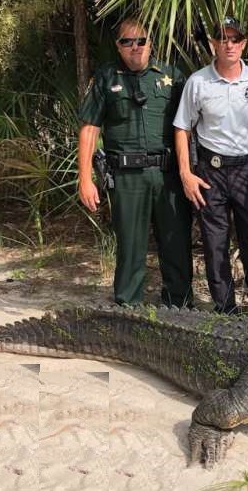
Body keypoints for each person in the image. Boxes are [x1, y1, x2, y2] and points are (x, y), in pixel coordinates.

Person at [77, 18, 193, 307]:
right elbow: (90, 128)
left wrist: (189, 170)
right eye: (127, 42)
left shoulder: (171, 76)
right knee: (130, 246)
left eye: (141, 40)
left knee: (175, 243)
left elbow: (189, 125)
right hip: (127, 178)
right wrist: (84, 178)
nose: (135, 47)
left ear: (151, 43)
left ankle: (179, 306)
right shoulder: (106, 78)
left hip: (168, 176)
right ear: (118, 46)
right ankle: (128, 308)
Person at [173, 17, 248, 314]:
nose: (229, 44)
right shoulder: (198, 82)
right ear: (213, 44)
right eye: (223, 39)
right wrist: (186, 174)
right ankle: (225, 310)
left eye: (235, 39)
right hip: (211, 172)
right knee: (215, 244)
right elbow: (182, 128)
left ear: (243, 44)